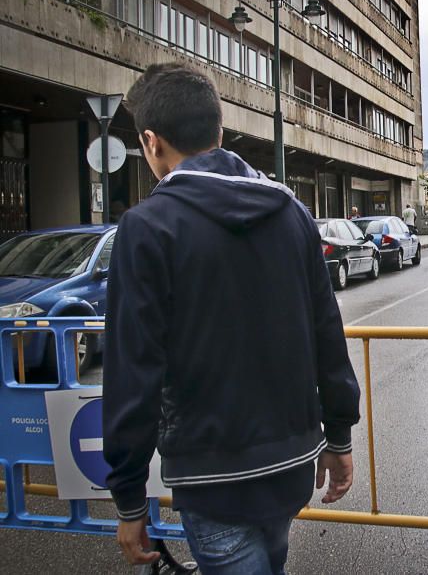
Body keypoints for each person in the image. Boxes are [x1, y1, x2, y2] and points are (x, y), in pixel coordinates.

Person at [102, 62, 360, 573]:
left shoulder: (148, 228)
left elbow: (134, 370)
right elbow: (327, 332)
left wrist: (129, 498)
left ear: (152, 143)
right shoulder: (292, 213)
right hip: (291, 464)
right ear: (219, 131)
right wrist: (339, 435)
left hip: (211, 474)